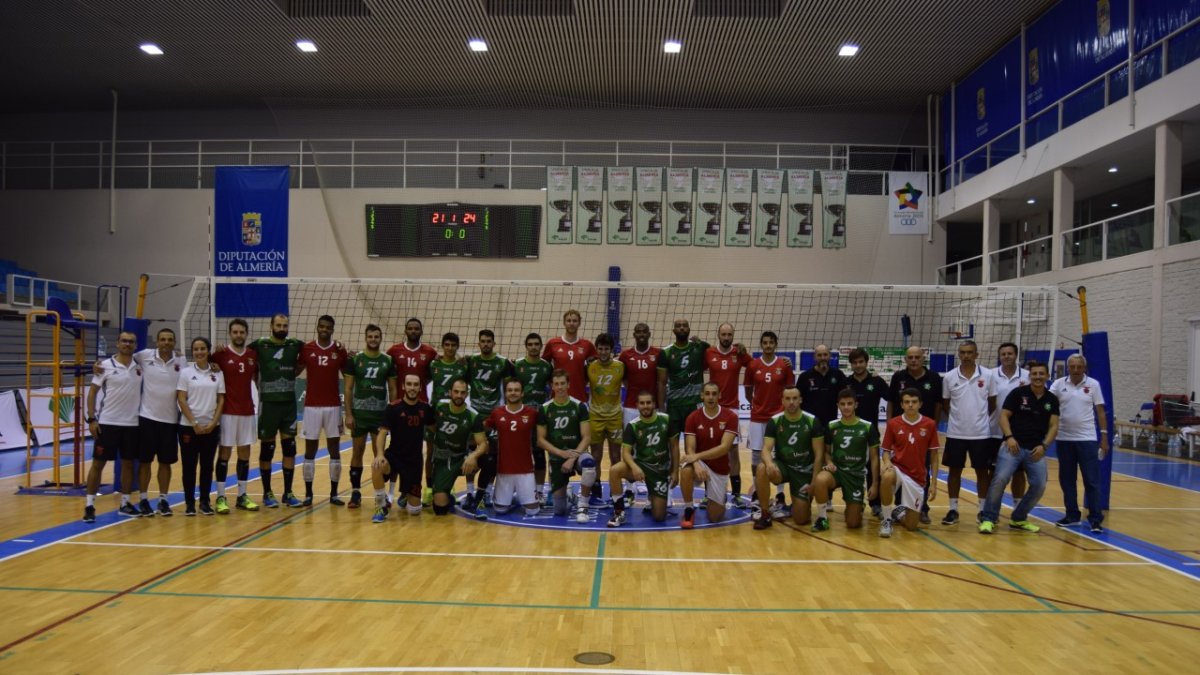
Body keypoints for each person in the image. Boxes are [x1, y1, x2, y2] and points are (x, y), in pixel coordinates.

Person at [980, 360, 1059, 534]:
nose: (1037, 377)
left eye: (1041, 374)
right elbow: (1004, 416)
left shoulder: (1051, 399)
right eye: (1034, 374)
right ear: (1029, 376)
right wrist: (1009, 437)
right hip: (1012, 446)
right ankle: (988, 519)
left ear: (1047, 376)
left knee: (1039, 485)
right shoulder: (1018, 393)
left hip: (1035, 450)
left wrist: (1044, 446)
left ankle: (1018, 518)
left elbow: (1054, 426)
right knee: (999, 480)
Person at [83, 331, 143, 522]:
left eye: (131, 341)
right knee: (98, 464)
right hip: (108, 423)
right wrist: (91, 419)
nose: (127, 344)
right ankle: (90, 506)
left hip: (132, 424)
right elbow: (92, 393)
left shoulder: (140, 366)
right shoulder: (105, 366)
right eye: (124, 341)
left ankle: (125, 503)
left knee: (127, 464)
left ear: (135, 345)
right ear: (117, 343)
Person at [248, 313, 306, 508]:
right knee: (267, 450)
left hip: (288, 404)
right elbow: (239, 355)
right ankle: (267, 493)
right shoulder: (259, 345)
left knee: (290, 449)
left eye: (285, 325)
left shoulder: (295, 344)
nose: (282, 328)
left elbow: (311, 354)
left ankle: (288, 493)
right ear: (271, 325)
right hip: (269, 404)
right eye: (279, 325)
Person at [1049, 354, 1109, 533]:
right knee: (1067, 480)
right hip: (1064, 439)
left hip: (1087, 439)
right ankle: (1072, 515)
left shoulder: (1093, 384)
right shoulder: (1058, 384)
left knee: (1091, 480)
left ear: (1085, 368)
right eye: (1072, 366)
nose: (1075, 370)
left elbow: (1100, 412)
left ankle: (1095, 518)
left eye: (1079, 367)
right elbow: (1048, 404)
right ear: (1068, 368)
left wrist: (1104, 437)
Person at [940, 340, 997, 525]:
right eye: (963, 352)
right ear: (959, 354)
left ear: (976, 354)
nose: (966, 356)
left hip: (981, 434)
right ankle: (953, 509)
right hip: (956, 433)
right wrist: (958, 419)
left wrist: (978, 419)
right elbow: (946, 404)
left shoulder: (988, 375)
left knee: (982, 472)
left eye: (970, 352)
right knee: (954, 472)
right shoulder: (949, 377)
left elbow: (992, 403)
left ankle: (982, 510)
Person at [885, 345, 943, 524]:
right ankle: (895, 509)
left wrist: (933, 426)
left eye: (917, 357)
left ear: (923, 358)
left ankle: (922, 508)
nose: (914, 360)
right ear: (905, 359)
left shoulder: (933, 377)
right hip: (901, 430)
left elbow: (939, 404)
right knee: (894, 470)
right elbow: (891, 402)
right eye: (910, 357)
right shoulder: (898, 377)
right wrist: (890, 424)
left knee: (921, 470)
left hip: (923, 431)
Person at [753, 386, 824, 530]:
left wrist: (814, 481)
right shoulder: (775, 421)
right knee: (762, 468)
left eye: (794, 398)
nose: (791, 402)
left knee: (801, 519)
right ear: (782, 401)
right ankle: (765, 514)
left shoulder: (812, 421)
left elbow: (819, 455)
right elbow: (766, 449)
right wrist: (769, 463)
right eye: (788, 399)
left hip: (804, 471)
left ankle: (799, 503)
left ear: (800, 400)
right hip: (783, 467)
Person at [132, 328, 186, 516]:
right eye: (162, 339)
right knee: (145, 462)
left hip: (170, 421)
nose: (166, 342)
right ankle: (144, 499)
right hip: (147, 418)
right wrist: (100, 364)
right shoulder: (144, 356)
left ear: (174, 342)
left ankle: (163, 500)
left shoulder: (181, 361)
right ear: (156, 342)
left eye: (170, 339)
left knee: (166, 463)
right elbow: (122, 355)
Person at [343, 324, 398, 509]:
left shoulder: (388, 360)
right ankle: (356, 492)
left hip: (380, 417)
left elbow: (392, 389)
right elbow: (348, 388)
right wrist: (348, 414)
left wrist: (393, 415)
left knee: (379, 455)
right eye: (370, 336)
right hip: (359, 415)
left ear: (380, 338)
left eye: (376, 337)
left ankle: (379, 495)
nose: (373, 339)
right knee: (357, 453)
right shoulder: (356, 359)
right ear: (365, 338)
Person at [470, 378, 540, 518]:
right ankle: (510, 497)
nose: (513, 393)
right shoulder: (497, 413)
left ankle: (521, 494)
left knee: (533, 511)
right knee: (500, 510)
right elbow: (483, 427)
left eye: (516, 390)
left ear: (522, 393)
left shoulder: (532, 413)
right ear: (505, 393)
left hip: (525, 470)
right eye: (510, 390)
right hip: (504, 470)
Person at [811, 388, 880, 532]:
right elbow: (827, 452)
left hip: (856, 475)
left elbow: (874, 458)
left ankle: (857, 505)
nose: (846, 407)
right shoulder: (832, 426)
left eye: (850, 403)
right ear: (838, 405)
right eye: (843, 404)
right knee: (820, 479)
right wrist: (829, 463)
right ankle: (823, 518)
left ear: (856, 405)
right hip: (837, 471)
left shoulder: (867, 427)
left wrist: (874, 484)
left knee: (853, 524)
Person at [387, 317, 439, 508]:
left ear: (421, 331)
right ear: (405, 330)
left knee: (424, 452)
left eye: (417, 328)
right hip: (400, 410)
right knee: (398, 451)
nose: (413, 331)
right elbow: (381, 365)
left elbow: (439, 371)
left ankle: (428, 490)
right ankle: (395, 494)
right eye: (410, 328)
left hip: (422, 409)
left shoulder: (430, 352)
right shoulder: (394, 351)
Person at [607, 390, 678, 526]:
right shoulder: (633, 425)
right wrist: (635, 467)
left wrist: (675, 471)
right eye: (642, 403)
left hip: (660, 469)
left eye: (648, 403)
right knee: (615, 470)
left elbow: (674, 447)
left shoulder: (666, 419)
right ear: (637, 405)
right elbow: (626, 452)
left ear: (654, 404)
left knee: (659, 517)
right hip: (641, 465)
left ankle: (652, 497)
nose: (645, 406)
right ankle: (619, 513)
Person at [370, 374, 435, 523]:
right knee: (377, 466)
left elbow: (435, 429)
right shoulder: (393, 408)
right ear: (403, 386)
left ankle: (405, 494)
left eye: (415, 384)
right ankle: (381, 506)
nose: (412, 388)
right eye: (409, 384)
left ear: (420, 387)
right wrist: (379, 454)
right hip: (394, 456)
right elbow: (382, 434)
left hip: (414, 461)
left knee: (414, 511)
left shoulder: (425, 408)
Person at [462, 329, 513, 516]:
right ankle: (469, 493)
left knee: (492, 456)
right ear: (478, 343)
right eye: (482, 341)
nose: (485, 344)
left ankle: (487, 494)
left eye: (488, 341)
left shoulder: (502, 362)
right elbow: (461, 382)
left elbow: (509, 388)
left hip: (493, 416)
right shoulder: (472, 361)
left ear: (493, 343)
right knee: (471, 453)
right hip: (474, 414)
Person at [744, 331, 795, 515]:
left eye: (771, 342)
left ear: (775, 344)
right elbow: (749, 391)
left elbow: (790, 391)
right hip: (758, 418)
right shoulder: (753, 365)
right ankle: (757, 493)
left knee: (779, 455)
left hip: (778, 418)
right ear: (761, 344)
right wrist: (758, 405)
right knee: (757, 457)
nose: (767, 345)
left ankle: (780, 495)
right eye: (765, 343)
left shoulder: (784, 365)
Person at [299, 314, 348, 506]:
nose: (325, 330)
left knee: (334, 450)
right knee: (309, 450)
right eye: (322, 326)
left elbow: (348, 375)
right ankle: (308, 494)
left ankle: (334, 494)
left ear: (333, 330)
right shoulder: (307, 349)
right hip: (311, 406)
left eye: (328, 327)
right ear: (317, 327)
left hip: (333, 406)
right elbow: (295, 369)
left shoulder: (339, 350)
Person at [211, 319, 259, 513]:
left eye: (242, 332)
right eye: (235, 332)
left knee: (244, 454)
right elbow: (205, 363)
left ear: (246, 334)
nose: (238, 335)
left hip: (247, 411)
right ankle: (221, 497)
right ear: (230, 334)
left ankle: (242, 495)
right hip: (227, 412)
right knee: (224, 454)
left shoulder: (252, 355)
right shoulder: (220, 355)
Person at [878, 388, 940, 537]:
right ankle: (886, 520)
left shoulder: (930, 424)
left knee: (911, 526)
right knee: (886, 476)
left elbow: (934, 456)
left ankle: (898, 512)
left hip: (917, 476)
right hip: (898, 468)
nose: (910, 405)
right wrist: (886, 462)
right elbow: (886, 450)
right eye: (907, 402)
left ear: (920, 404)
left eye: (914, 402)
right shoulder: (893, 423)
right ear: (902, 405)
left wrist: (934, 483)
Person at [176, 337, 225, 516]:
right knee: (189, 466)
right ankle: (189, 503)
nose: (199, 352)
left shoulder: (217, 373)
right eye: (196, 349)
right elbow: (181, 399)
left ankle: (205, 502)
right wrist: (194, 423)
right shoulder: (186, 373)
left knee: (207, 466)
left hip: (211, 427)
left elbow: (221, 400)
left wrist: (213, 423)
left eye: (203, 348)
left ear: (208, 350)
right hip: (189, 427)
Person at [680, 382, 739, 528]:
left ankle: (720, 497)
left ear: (719, 395)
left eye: (714, 394)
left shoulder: (730, 416)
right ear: (702, 395)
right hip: (700, 463)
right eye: (707, 393)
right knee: (686, 471)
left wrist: (697, 457)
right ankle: (689, 508)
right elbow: (690, 448)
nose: (710, 397)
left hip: (719, 466)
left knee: (715, 517)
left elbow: (724, 448)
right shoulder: (693, 417)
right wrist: (696, 463)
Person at [704, 322, 752, 504]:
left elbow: (757, 367)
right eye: (723, 334)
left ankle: (737, 494)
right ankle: (710, 493)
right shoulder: (708, 353)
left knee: (732, 452)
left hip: (731, 409)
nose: (726, 337)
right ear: (718, 335)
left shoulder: (739, 353)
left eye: (729, 334)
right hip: (711, 408)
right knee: (710, 450)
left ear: (733, 335)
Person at [537, 370, 593, 522]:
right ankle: (569, 495)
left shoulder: (579, 406)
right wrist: (562, 455)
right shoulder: (545, 408)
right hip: (557, 457)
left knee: (589, 464)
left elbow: (587, 437)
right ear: (552, 387)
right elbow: (540, 440)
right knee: (560, 511)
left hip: (578, 453)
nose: (560, 387)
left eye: (563, 383)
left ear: (568, 384)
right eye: (556, 384)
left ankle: (583, 505)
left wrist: (571, 457)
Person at [426, 378, 486, 515]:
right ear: (450, 392)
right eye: (456, 392)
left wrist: (473, 456)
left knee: (488, 459)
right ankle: (448, 496)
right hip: (442, 459)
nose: (459, 395)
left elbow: (483, 444)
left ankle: (479, 497)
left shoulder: (473, 415)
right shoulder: (440, 405)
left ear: (467, 394)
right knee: (440, 510)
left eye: (462, 392)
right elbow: (430, 423)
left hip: (461, 459)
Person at [846, 347, 888, 520]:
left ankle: (875, 503)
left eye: (861, 361)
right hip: (850, 432)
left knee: (873, 468)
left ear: (866, 362)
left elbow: (892, 398)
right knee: (853, 468)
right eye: (854, 362)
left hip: (871, 433)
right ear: (851, 364)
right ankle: (855, 500)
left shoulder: (876, 382)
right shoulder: (846, 383)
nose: (858, 365)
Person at [658, 318, 709, 454]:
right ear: (674, 330)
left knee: (693, 445)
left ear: (689, 330)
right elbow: (662, 382)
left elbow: (720, 352)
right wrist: (662, 407)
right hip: (674, 405)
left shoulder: (700, 346)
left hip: (694, 405)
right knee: (672, 446)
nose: (682, 328)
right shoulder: (666, 352)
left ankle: (691, 473)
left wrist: (738, 346)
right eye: (678, 326)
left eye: (684, 326)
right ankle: (673, 474)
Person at [513, 332, 553, 499]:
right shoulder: (518, 365)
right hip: (520, 417)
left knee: (539, 454)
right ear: (526, 346)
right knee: (518, 453)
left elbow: (553, 387)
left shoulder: (546, 366)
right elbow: (510, 388)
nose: (534, 347)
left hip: (539, 418)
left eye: (537, 344)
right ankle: (516, 488)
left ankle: (539, 491)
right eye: (530, 344)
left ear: (541, 346)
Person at [990, 343, 1029, 502]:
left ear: (1016, 355)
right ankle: (991, 508)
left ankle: (1017, 506)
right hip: (993, 431)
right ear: (1000, 357)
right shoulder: (990, 375)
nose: (1006, 356)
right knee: (993, 472)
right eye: (1003, 354)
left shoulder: (1027, 376)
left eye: (1010, 353)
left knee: (1019, 472)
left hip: (1018, 433)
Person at [586, 333, 625, 474]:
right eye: (600, 349)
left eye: (606, 349)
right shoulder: (590, 366)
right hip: (595, 416)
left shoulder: (620, 366)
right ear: (596, 349)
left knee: (615, 456)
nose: (603, 352)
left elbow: (629, 384)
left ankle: (616, 492)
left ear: (612, 350)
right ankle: (595, 487)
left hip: (615, 417)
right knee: (595, 456)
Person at [542, 309, 596, 402]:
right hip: (557, 397)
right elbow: (543, 366)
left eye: (575, 321)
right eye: (569, 320)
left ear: (579, 323)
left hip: (580, 396)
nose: (571, 323)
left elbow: (597, 365)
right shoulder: (553, 343)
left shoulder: (587, 345)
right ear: (564, 323)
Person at [618, 322, 662, 427]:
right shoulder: (625, 355)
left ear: (649, 334)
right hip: (631, 406)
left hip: (652, 405)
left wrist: (661, 406)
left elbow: (662, 380)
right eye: (638, 332)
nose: (641, 334)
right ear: (634, 335)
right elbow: (623, 378)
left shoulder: (658, 353)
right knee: (630, 440)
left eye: (644, 332)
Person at [797, 344, 843, 426]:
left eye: (825, 354)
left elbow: (846, 397)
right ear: (814, 357)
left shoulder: (838, 375)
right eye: (819, 355)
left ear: (830, 356)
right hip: (810, 425)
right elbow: (797, 400)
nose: (823, 358)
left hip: (831, 424)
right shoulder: (805, 377)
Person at [429, 332, 469, 405]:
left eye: (453, 345)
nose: (450, 348)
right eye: (447, 345)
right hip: (436, 408)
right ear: (442, 346)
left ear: (458, 346)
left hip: (454, 408)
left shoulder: (463, 367)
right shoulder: (433, 364)